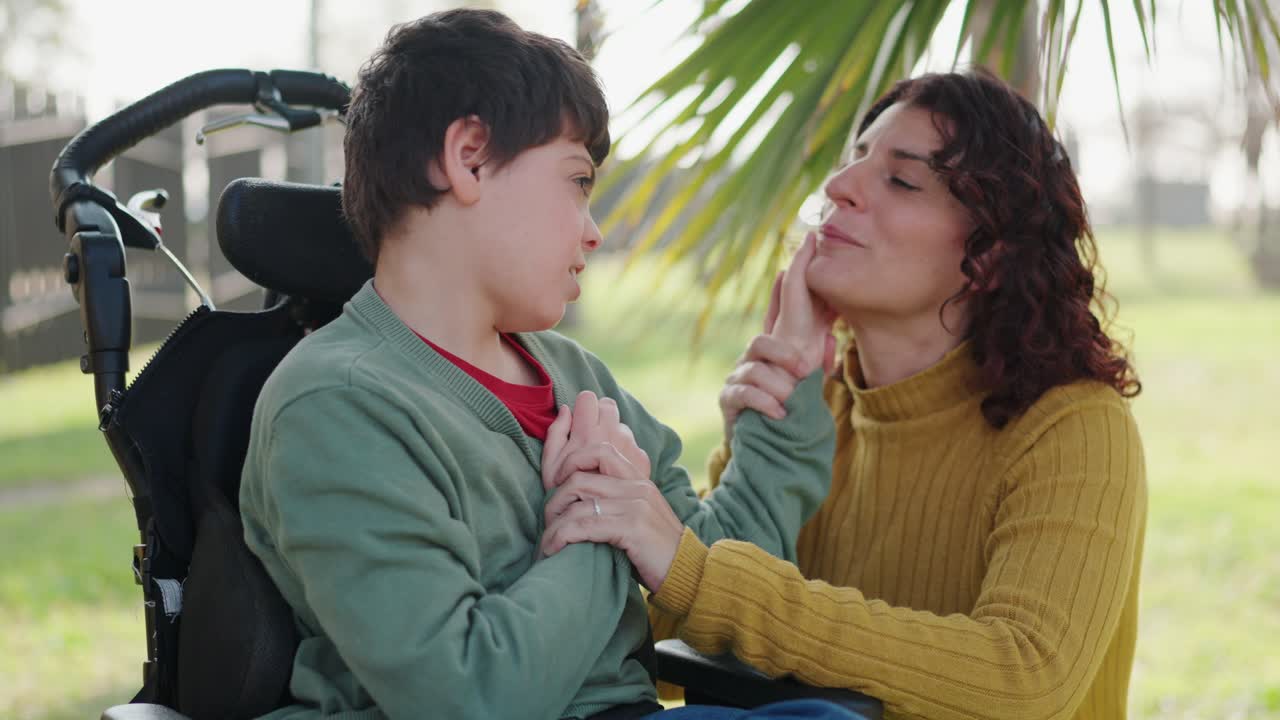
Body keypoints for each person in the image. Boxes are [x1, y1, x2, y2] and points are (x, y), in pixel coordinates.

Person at [239, 9, 865, 720]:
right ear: (470, 156)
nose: (593, 232)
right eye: (578, 181)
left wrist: (789, 389)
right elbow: (469, 692)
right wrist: (603, 521)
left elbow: (705, 570)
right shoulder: (336, 405)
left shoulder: (578, 380)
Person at [541, 69, 1147, 720]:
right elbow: (685, 623)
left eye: (902, 179)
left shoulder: (1074, 426)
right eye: (854, 162)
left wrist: (700, 573)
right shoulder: (815, 409)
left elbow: (1024, 676)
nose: (838, 189)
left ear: (992, 255)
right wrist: (767, 445)